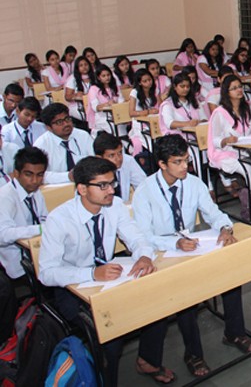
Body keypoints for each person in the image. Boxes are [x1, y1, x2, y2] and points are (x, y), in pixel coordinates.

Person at [133, 135, 251, 377]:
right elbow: (144, 236)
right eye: (178, 162)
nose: (185, 167)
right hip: (161, 253)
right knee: (186, 295)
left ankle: (234, 332)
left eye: (187, 160)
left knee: (231, 276)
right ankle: (193, 353)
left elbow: (213, 212)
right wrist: (174, 242)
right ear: (161, 164)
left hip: (190, 245)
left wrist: (225, 228)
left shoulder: (193, 183)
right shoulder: (145, 191)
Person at [38, 157, 168, 386]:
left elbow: (136, 237)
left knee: (157, 302)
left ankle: (148, 359)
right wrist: (90, 274)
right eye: (103, 185)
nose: (111, 190)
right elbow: (47, 273)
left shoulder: (114, 205)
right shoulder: (59, 219)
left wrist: (144, 255)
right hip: (73, 287)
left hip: (109, 277)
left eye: (112, 183)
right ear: (82, 189)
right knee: (110, 332)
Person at [207, 75, 251, 219]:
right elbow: (215, 140)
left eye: (240, 87)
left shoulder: (247, 106)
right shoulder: (220, 112)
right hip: (226, 153)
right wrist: (226, 140)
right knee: (249, 168)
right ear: (226, 92)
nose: (239, 90)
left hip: (247, 149)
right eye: (234, 88)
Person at [0, 147, 47, 281]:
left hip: (38, 252)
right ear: (16, 173)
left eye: (39, 175)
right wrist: (38, 229)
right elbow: (3, 234)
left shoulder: (35, 191)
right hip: (18, 263)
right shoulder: (5, 197)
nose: (35, 180)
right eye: (28, 174)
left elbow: (44, 218)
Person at [34, 103, 94, 183]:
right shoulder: (41, 144)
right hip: (58, 189)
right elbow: (39, 175)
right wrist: (67, 176)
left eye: (67, 119)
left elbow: (95, 160)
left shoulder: (83, 135)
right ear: (48, 127)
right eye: (59, 122)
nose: (66, 124)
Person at [94, 131, 145, 202]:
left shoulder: (127, 161)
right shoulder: (91, 173)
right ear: (99, 158)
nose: (118, 158)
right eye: (111, 155)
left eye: (120, 152)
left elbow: (143, 186)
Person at [158, 73, 208, 137]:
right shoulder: (167, 104)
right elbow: (170, 123)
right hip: (178, 137)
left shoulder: (195, 101)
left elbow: (204, 119)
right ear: (174, 87)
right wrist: (188, 124)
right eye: (182, 86)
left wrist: (198, 122)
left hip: (198, 135)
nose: (186, 89)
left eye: (188, 86)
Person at [127, 68, 160, 157]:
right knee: (150, 141)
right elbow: (131, 113)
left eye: (149, 80)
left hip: (154, 121)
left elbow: (160, 106)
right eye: (145, 81)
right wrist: (147, 112)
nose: (149, 82)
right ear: (139, 83)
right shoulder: (134, 92)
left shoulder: (155, 90)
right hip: (140, 123)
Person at [87, 64, 124, 135]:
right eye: (103, 76)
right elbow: (95, 107)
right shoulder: (93, 89)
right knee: (116, 128)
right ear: (98, 77)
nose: (107, 77)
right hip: (102, 117)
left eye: (108, 75)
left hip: (117, 115)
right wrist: (107, 104)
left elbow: (121, 101)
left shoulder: (114, 87)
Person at [63, 56, 92, 124]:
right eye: (81, 65)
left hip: (92, 104)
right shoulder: (72, 78)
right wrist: (76, 96)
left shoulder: (94, 76)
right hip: (77, 106)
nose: (84, 67)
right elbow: (67, 97)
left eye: (86, 64)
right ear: (77, 68)